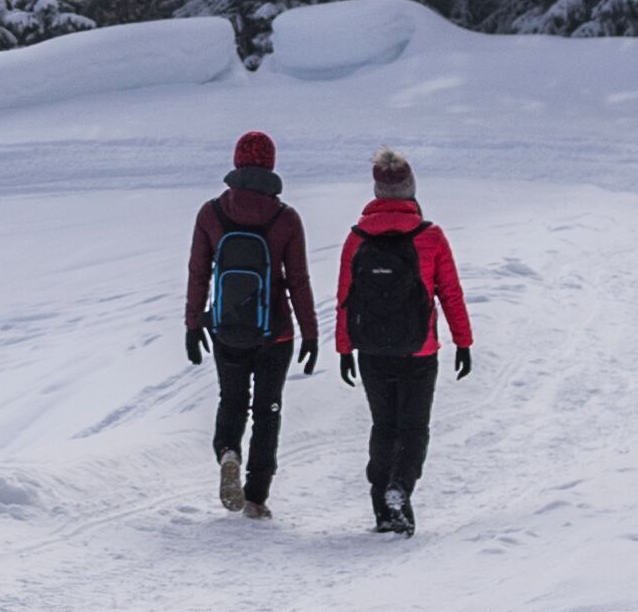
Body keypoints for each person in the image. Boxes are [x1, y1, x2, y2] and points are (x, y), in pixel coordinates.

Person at [332, 148, 475, 539]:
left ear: (377, 192)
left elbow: (345, 295)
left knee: (384, 426)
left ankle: (383, 508)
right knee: (413, 428)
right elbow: (450, 293)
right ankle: (401, 487)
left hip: (372, 351)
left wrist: (344, 348)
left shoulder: (356, 238)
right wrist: (463, 341)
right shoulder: (430, 237)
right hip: (419, 350)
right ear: (410, 190)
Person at [181, 129, 315, 518]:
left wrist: (193, 324)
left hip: (227, 329)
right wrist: (311, 333)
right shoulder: (285, 218)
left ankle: (228, 453)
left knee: (232, 400)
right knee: (267, 410)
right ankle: (256, 496)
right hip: (275, 332)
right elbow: (299, 280)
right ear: (271, 165)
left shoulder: (212, 212)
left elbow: (198, 273)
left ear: (236, 162)